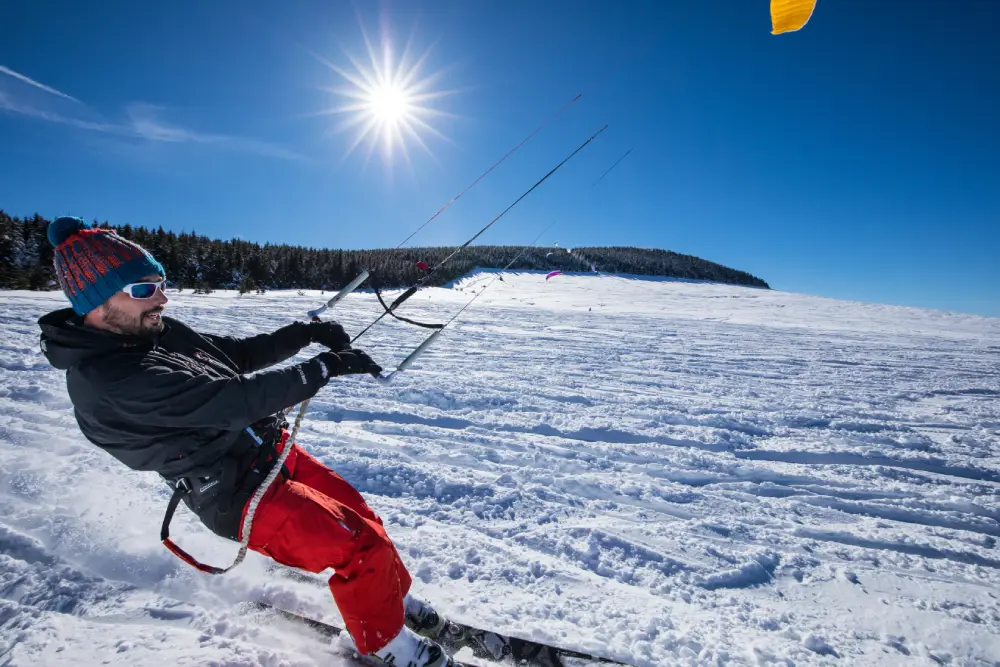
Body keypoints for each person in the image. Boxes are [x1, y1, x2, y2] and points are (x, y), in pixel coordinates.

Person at [37, 216, 452, 667]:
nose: (161, 298)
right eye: (142, 290)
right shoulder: (109, 380)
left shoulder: (151, 330)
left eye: (159, 283)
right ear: (95, 302)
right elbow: (232, 401)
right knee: (357, 546)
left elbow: (235, 356)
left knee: (365, 520)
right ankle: (388, 648)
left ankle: (392, 599)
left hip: (265, 452)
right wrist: (322, 368)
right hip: (235, 492)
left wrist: (306, 334)